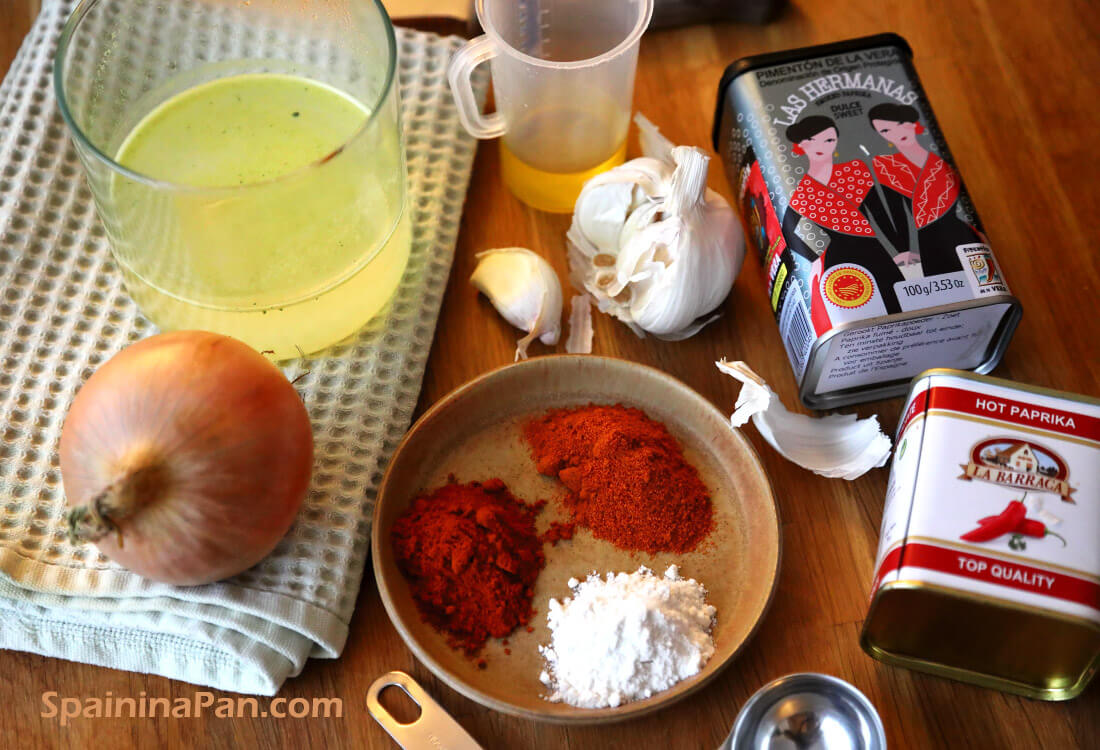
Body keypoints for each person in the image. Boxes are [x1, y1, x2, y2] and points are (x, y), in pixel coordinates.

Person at [782, 115, 906, 322]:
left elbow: (878, 212)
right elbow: (788, 229)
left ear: (837, 142)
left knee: (897, 301)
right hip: (839, 258)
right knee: (858, 312)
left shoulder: (854, 170)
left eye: (829, 140)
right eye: (812, 140)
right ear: (801, 145)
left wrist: (899, 249)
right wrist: (813, 258)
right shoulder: (803, 191)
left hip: (876, 250)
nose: (821, 146)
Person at [867, 103, 982, 276]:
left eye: (899, 124)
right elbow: (896, 209)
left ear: (912, 122)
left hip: (961, 235)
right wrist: (903, 249)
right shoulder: (887, 165)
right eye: (885, 131)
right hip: (927, 241)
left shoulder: (941, 160)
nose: (896, 133)